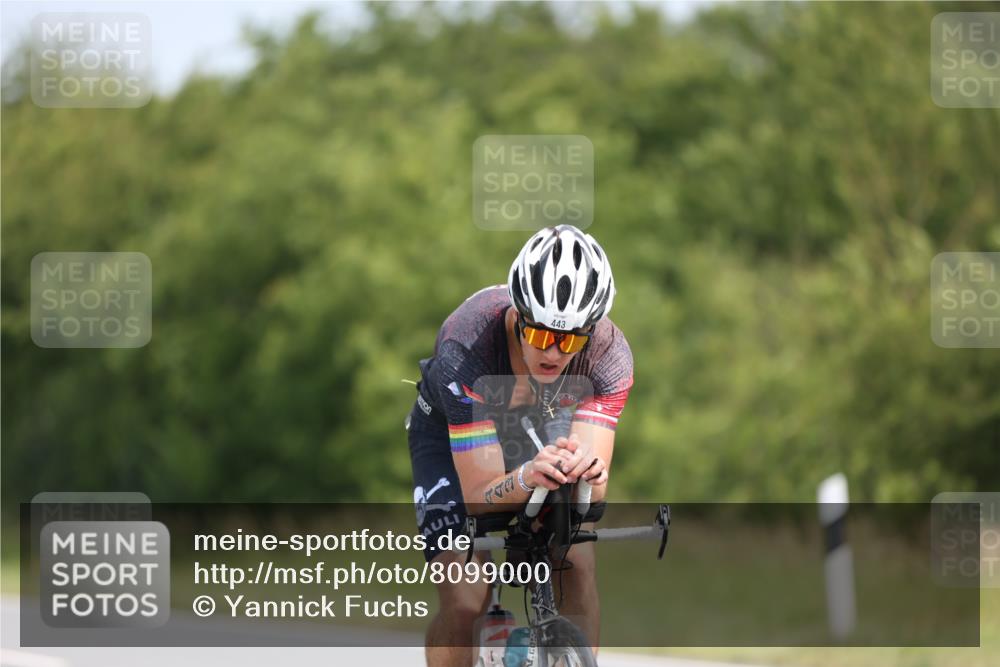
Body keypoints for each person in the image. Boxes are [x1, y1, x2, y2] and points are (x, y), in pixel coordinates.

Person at [406, 224, 633, 667]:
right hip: (452, 430)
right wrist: (528, 477)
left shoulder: (610, 356)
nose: (554, 352)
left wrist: (588, 475)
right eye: (542, 334)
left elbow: (595, 491)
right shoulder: (466, 345)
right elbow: (478, 495)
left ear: (592, 330)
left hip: (543, 421)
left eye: (569, 340)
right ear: (517, 315)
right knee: (467, 595)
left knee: (578, 565)